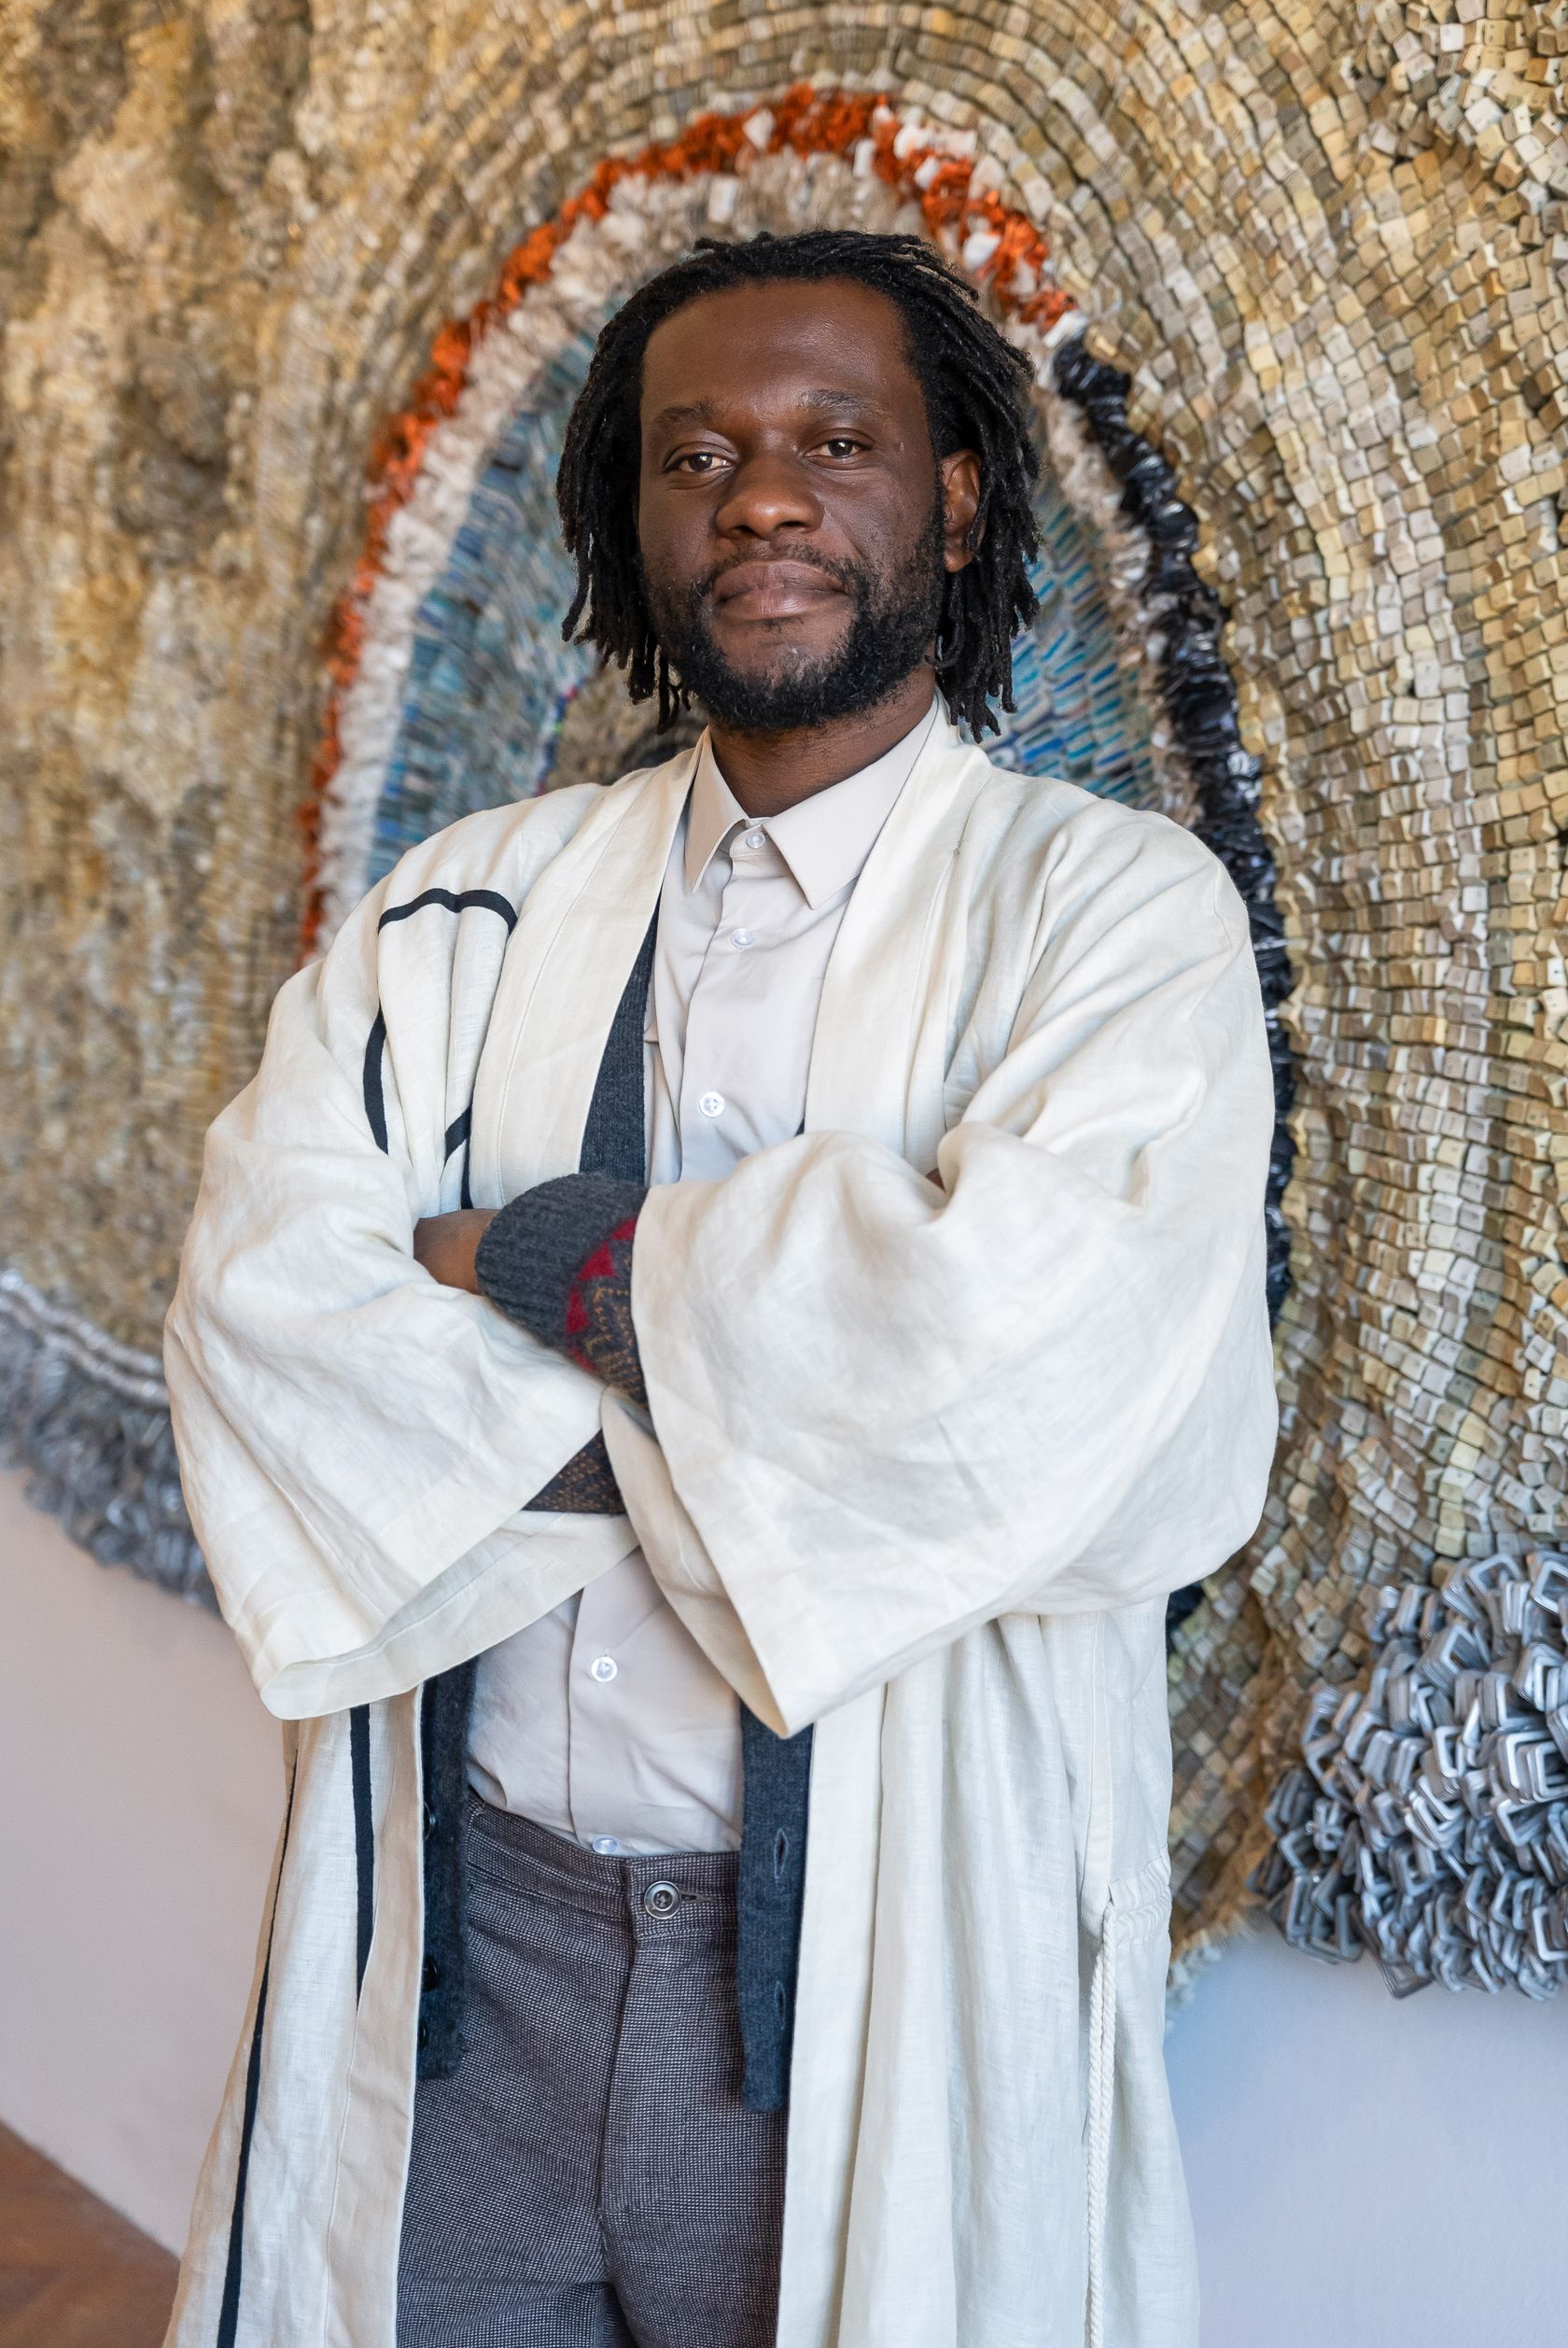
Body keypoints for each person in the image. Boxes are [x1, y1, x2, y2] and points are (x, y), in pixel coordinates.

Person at [162, 228, 1277, 2348]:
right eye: (696, 456)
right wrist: (762, 1402)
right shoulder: (462, 910)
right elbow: (260, 1307)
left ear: (955, 499)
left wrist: (523, 1257)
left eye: (835, 442)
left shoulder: (1113, 922)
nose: (762, 497)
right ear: (633, 522)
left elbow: (1021, 1373)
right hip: (471, 1964)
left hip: (859, 1986)